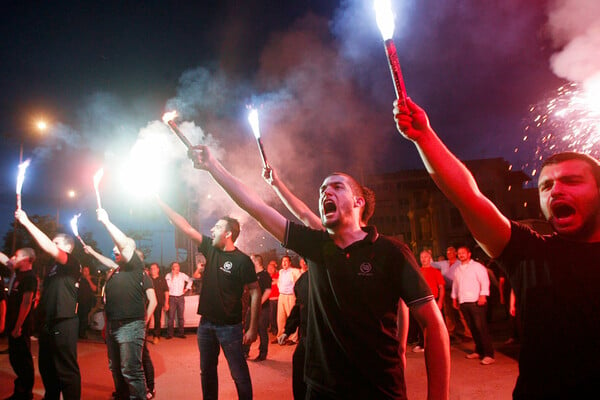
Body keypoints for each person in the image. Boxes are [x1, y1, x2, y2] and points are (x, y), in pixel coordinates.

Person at [188, 145, 450, 399]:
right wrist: (213, 166)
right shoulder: (316, 245)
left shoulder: (392, 252)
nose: (326, 192)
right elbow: (257, 208)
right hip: (322, 389)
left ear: (359, 202)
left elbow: (433, 324)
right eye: (323, 188)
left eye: (337, 186)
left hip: (379, 389)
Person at [394, 97, 600, 398]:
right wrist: (424, 137)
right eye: (546, 186)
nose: (556, 190)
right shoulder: (530, 253)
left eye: (571, 181)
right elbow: (467, 195)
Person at [156, 196, 260, 400]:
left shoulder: (242, 261)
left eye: (217, 227)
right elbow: (186, 227)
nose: (212, 230)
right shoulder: (210, 249)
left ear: (228, 234)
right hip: (205, 326)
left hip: (230, 327)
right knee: (207, 372)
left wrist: (252, 326)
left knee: (239, 375)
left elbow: (255, 291)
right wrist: (160, 201)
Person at [15, 209, 82, 400]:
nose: (52, 246)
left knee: (67, 370)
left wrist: (27, 222)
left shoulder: (71, 262)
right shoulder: (53, 267)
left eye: (56, 243)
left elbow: (48, 247)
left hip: (64, 321)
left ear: (67, 248)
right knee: (47, 367)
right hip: (48, 323)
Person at [93, 208, 157, 400]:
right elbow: (106, 261)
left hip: (131, 325)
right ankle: (122, 395)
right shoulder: (116, 271)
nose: (115, 250)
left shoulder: (136, 267)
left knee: (131, 369)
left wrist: (106, 222)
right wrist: (91, 252)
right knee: (116, 367)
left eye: (119, 247)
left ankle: (141, 394)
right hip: (113, 325)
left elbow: (153, 300)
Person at [1, 248, 38, 400]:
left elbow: (27, 302)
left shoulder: (29, 277)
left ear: (25, 259)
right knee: (15, 358)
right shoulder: (18, 274)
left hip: (20, 325)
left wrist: (18, 326)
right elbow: (6, 262)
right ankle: (19, 390)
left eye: (16, 256)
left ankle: (25, 393)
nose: (12, 258)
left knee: (22, 359)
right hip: (13, 323)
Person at [451, 246, 494, 365]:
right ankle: (479, 351)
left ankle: (488, 354)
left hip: (476, 301)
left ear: (469, 254)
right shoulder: (458, 269)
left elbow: (485, 281)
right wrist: (454, 298)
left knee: (481, 327)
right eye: (459, 253)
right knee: (473, 328)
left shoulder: (477, 267)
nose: (461, 255)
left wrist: (483, 295)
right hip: (464, 302)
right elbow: (455, 285)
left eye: (463, 253)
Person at [277, 268, 309, 400]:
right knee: (299, 368)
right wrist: (287, 330)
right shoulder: (303, 280)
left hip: (329, 337)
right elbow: (298, 307)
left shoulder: (333, 273)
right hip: (307, 336)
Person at [432, 246, 472, 342]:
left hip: (458, 290)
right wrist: (428, 255)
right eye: (447, 252)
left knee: (461, 312)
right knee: (448, 313)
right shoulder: (444, 263)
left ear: (455, 253)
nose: (448, 254)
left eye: (450, 252)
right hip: (446, 290)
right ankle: (451, 332)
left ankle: (468, 333)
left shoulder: (459, 263)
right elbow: (431, 263)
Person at [412, 250, 445, 353]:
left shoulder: (435, 271)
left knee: (435, 324)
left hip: (433, 300)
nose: (423, 259)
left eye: (425, 257)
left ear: (430, 258)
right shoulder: (418, 271)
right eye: (421, 257)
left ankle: (438, 344)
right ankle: (422, 343)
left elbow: (441, 287)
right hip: (421, 301)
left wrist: (440, 301)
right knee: (421, 324)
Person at [243, 254, 272, 361]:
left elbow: (268, 291)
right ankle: (245, 352)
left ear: (256, 262)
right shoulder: (253, 275)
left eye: (251, 261)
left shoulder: (265, 275)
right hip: (251, 308)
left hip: (263, 308)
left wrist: (258, 304)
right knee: (247, 328)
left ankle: (262, 354)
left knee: (261, 330)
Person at [275, 255, 301, 345]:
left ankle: (293, 338)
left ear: (290, 262)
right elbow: (279, 282)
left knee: (291, 317)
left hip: (291, 296)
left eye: (286, 261)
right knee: (280, 318)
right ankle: (280, 336)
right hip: (281, 296)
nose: (284, 263)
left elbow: (299, 283)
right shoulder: (281, 272)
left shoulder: (295, 271)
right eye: (283, 261)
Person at [164, 261, 192, 339]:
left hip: (180, 297)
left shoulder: (182, 275)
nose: (177, 267)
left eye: (178, 266)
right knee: (171, 317)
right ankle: (170, 334)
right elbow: (168, 286)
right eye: (175, 266)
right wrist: (173, 276)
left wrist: (186, 289)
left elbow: (190, 280)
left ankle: (181, 333)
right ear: (172, 267)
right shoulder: (168, 275)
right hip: (172, 298)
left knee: (181, 317)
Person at [149, 263, 169, 344]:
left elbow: (166, 291)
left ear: (158, 269)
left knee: (157, 320)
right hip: (148, 303)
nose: (152, 270)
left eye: (154, 268)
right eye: (151, 269)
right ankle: (143, 336)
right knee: (146, 320)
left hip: (159, 303)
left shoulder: (162, 279)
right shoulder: (148, 279)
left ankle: (156, 336)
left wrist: (166, 303)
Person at [77, 265, 97, 339]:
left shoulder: (92, 279)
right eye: (84, 271)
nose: (85, 272)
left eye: (87, 271)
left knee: (85, 318)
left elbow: (94, 289)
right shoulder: (79, 279)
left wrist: (88, 280)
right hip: (79, 301)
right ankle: (77, 333)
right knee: (78, 317)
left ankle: (82, 333)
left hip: (87, 302)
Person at [266, 260, 279, 336]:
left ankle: (277, 329)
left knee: (276, 316)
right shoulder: (266, 277)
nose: (270, 270)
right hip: (270, 299)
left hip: (278, 298)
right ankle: (274, 329)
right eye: (269, 268)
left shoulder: (279, 275)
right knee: (272, 316)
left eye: (272, 268)